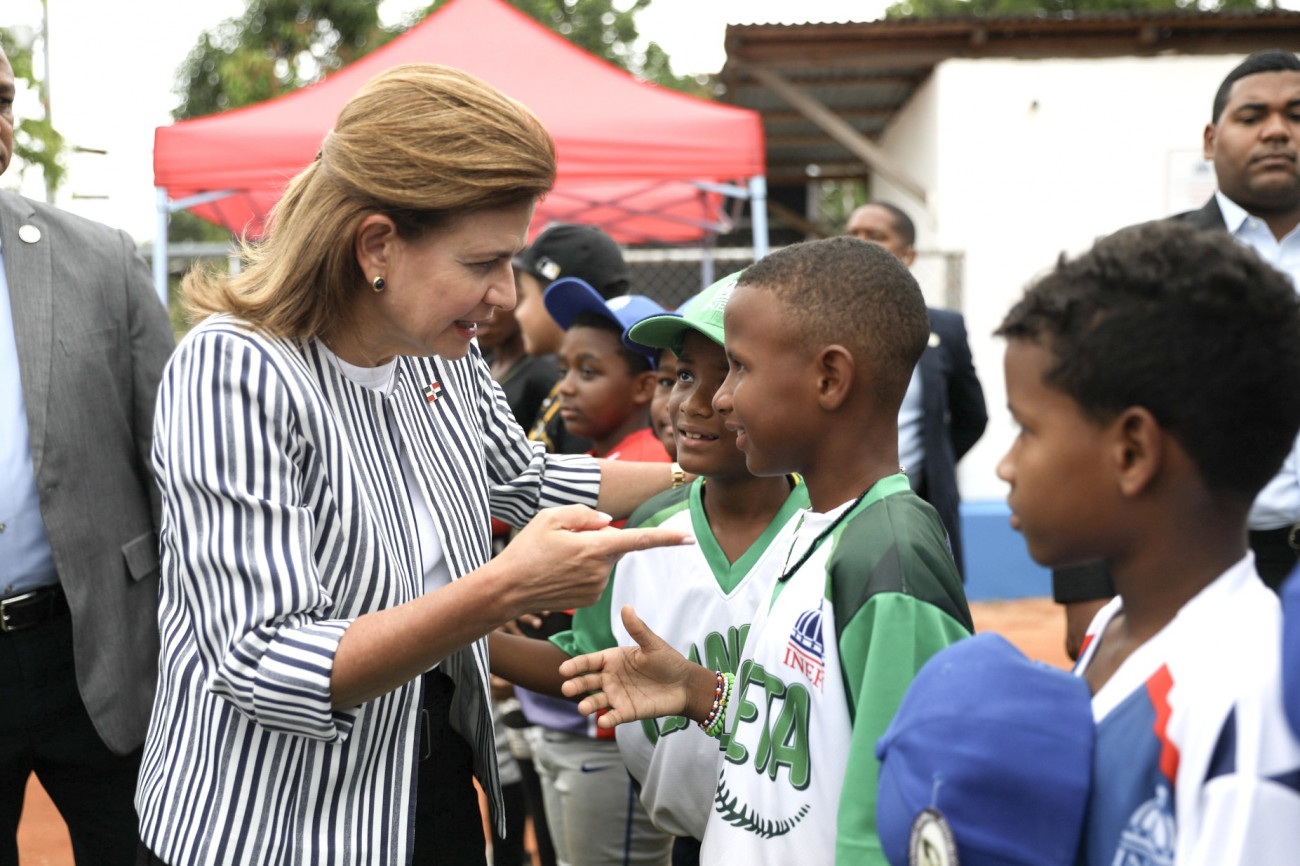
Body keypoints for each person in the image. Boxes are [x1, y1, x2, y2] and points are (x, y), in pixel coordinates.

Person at [133, 63, 692, 866]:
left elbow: (521, 480)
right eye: (481, 263)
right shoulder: (238, 372)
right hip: (275, 826)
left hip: (423, 780)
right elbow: (266, 662)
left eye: (510, 263)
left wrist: (701, 482)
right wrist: (504, 588)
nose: (505, 295)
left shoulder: (438, 351)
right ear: (377, 245)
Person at [558, 237, 974, 864]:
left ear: (829, 379)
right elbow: (809, 739)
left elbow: (906, 813)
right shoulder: (818, 527)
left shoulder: (889, 555)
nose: (720, 398)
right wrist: (700, 691)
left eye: (739, 369)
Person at [996, 221, 1300, 863]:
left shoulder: (1242, 707)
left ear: (1131, 452)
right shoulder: (1113, 625)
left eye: (1026, 429)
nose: (1006, 466)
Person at [491, 273, 810, 866]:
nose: (693, 402)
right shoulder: (643, 527)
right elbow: (585, 663)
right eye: (682, 375)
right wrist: (455, 634)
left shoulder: (830, 532)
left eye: (731, 373)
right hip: (687, 838)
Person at [1055, 49, 1300, 656]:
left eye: (1297, 115)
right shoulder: (1141, 263)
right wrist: (1086, 587)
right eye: (1253, 116)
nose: (1277, 131)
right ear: (1212, 141)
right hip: (1192, 565)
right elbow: (1082, 419)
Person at [0, 44, 175, 866]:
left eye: (3, 101)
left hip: (102, 648)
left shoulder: (102, 259)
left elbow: (173, 469)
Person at [502, 278, 674, 866]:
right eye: (564, 369)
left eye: (589, 371)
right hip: (563, 719)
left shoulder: (645, 470)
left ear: (644, 386)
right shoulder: (596, 463)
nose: (565, 387)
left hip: (600, 730)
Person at [845, 202, 987, 576]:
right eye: (853, 234)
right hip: (839, 502)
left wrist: (932, 461)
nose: (860, 243)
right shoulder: (819, 328)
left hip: (919, 503)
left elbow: (972, 416)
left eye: (875, 235)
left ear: (908, 255)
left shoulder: (944, 329)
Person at [514, 223, 632, 455]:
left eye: (525, 296)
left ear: (559, 301)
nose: (517, 312)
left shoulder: (588, 406)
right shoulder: (565, 382)